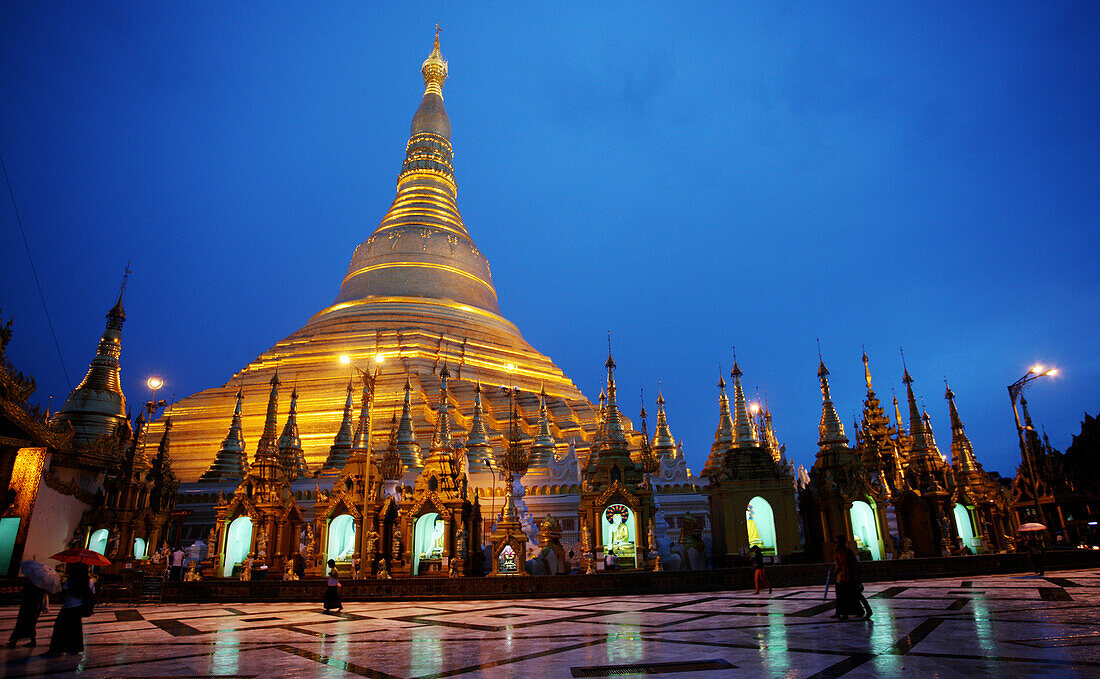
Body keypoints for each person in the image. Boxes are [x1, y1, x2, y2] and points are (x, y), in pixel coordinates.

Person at [44, 563, 94, 656]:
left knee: (60, 628)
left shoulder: (70, 581)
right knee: (75, 628)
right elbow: (91, 593)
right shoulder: (89, 581)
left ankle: (57, 648)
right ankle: (75, 648)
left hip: (69, 607)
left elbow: (64, 594)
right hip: (79, 607)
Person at [832, 535, 871, 621]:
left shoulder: (848, 552)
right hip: (844, 578)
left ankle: (868, 611)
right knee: (844, 597)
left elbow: (855, 565)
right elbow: (839, 565)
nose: (836, 544)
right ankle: (844, 614)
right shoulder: (838, 554)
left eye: (838, 542)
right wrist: (835, 574)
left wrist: (858, 578)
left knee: (858, 595)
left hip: (852, 578)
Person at [7, 579, 48, 647]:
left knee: (22, 623)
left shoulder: (32, 584)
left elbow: (26, 593)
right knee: (31, 624)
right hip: (35, 607)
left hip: (28, 606)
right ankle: (31, 641)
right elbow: (42, 597)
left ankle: (15, 641)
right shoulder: (41, 586)